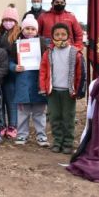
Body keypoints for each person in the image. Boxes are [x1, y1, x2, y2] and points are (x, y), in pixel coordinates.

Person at [39, 23, 86, 154]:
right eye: (57, 34)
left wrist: (79, 89)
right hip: (53, 91)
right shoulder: (49, 52)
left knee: (68, 117)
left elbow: (80, 73)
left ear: (68, 36)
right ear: (52, 36)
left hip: (68, 92)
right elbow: (43, 71)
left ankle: (68, 143)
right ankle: (57, 141)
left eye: (63, 34)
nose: (60, 37)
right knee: (54, 117)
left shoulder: (75, 52)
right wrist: (43, 87)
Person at [11, 14, 49, 147]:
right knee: (23, 113)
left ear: (37, 31)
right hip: (23, 84)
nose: (30, 31)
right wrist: (14, 67)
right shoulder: (16, 44)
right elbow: (9, 62)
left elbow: (50, 61)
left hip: (39, 83)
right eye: (27, 28)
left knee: (39, 113)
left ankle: (41, 136)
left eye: (33, 29)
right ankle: (22, 135)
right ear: (22, 29)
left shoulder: (43, 44)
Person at [0, 4, 21, 138]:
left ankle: (13, 126)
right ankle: (1, 125)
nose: (7, 22)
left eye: (10, 20)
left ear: (16, 22)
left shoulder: (19, 35)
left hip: (12, 73)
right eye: (5, 20)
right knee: (0, 101)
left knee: (11, 100)